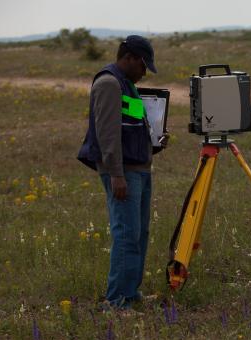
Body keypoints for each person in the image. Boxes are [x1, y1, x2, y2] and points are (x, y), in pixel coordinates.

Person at [77, 35, 167, 309]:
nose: (143, 72)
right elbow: (107, 134)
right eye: (142, 65)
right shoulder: (108, 84)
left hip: (139, 168)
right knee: (126, 234)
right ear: (128, 58)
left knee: (139, 234)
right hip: (123, 172)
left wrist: (155, 143)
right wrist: (115, 173)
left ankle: (131, 292)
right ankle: (116, 300)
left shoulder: (127, 84)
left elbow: (133, 126)